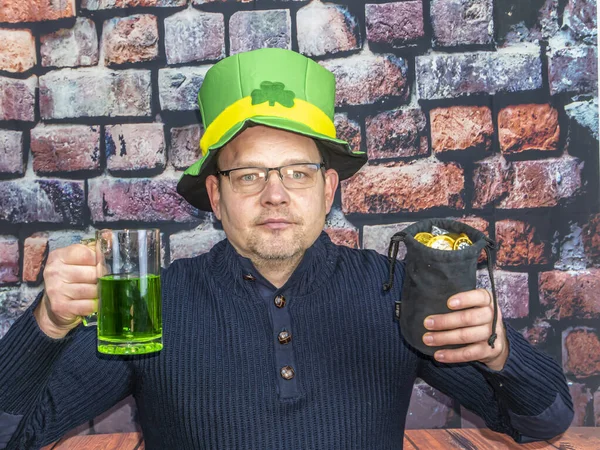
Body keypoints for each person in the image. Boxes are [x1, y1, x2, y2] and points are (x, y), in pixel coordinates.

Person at [0, 48, 572, 450]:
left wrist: (500, 351)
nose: (275, 194)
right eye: (248, 175)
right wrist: (47, 322)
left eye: (298, 172)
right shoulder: (154, 304)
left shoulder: (396, 290)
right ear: (216, 197)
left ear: (328, 189)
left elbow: (544, 421)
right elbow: (15, 434)